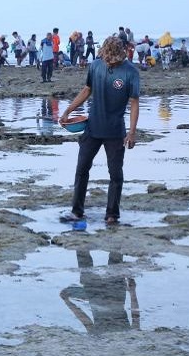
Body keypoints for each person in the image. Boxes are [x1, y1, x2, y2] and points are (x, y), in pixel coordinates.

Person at [60, 36, 140, 226]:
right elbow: (87, 90)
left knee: (115, 175)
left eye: (112, 59)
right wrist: (68, 110)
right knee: (81, 170)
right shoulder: (95, 65)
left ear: (121, 55)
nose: (109, 61)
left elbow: (135, 103)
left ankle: (112, 215)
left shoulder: (131, 72)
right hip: (92, 128)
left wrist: (132, 132)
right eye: (106, 58)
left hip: (115, 131)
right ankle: (77, 212)